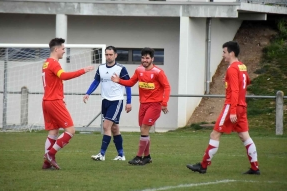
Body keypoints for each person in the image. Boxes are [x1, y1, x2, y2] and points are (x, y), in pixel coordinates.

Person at [186, 41, 260, 175]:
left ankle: (203, 166)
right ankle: (255, 168)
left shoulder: (232, 68)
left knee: (215, 134)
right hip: (242, 106)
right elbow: (247, 81)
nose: (223, 55)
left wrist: (232, 111)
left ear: (231, 53)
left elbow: (235, 90)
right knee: (245, 136)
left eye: (224, 52)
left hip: (232, 105)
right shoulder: (242, 66)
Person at [111, 47, 171, 165]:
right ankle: (147, 156)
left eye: (147, 58)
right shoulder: (139, 70)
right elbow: (131, 82)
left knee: (144, 129)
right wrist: (119, 81)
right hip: (143, 104)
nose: (145, 60)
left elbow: (167, 87)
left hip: (154, 105)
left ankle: (138, 157)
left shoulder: (158, 72)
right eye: (143, 58)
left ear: (152, 59)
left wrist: (164, 103)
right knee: (143, 130)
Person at [42, 38, 94, 170]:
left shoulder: (46, 63)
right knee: (70, 130)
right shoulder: (54, 63)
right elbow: (63, 76)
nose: (64, 51)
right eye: (63, 49)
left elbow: (53, 83)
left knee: (53, 132)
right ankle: (50, 154)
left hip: (47, 101)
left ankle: (46, 163)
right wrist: (83, 70)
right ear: (56, 49)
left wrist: (60, 96)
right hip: (54, 101)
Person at [83, 46, 132, 161]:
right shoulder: (100, 68)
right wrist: (88, 93)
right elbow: (96, 81)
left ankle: (102, 154)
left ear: (115, 55)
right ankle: (121, 155)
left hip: (116, 101)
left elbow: (128, 84)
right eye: (106, 54)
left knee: (106, 126)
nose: (108, 57)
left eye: (111, 54)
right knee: (114, 128)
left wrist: (129, 102)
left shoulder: (121, 68)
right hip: (105, 101)